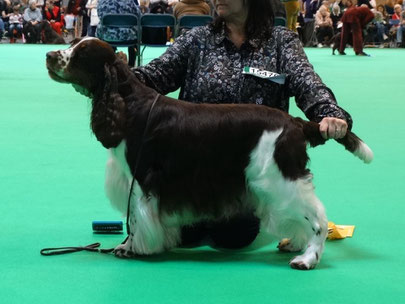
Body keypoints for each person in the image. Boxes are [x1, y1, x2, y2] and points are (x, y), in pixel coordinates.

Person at [130, 0, 353, 249]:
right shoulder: (197, 39)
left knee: (233, 236)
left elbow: (308, 84)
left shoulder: (281, 42)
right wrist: (116, 74)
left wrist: (330, 113)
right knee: (186, 235)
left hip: (249, 172)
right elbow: (154, 75)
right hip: (192, 168)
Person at [96, 0, 141, 67]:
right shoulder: (130, 1)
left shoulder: (102, 1)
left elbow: (100, 15)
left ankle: (109, 63)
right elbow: (138, 15)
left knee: (107, 32)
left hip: (106, 36)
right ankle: (131, 66)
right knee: (133, 41)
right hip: (128, 36)